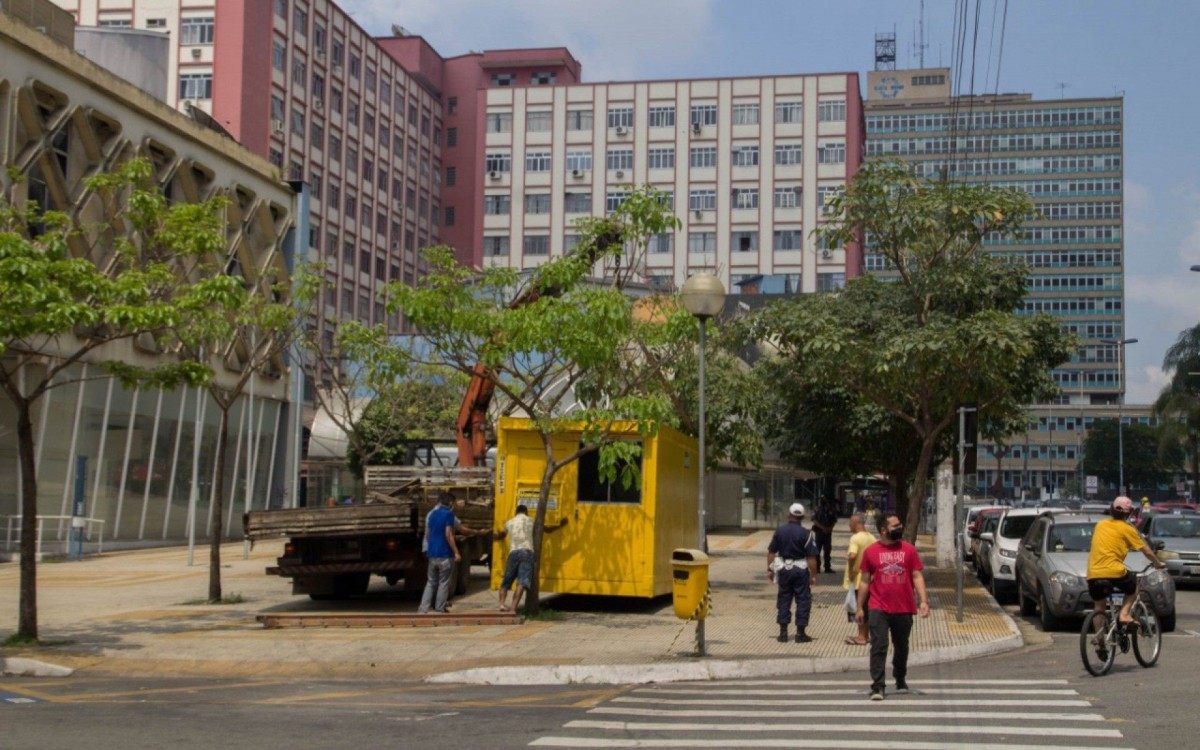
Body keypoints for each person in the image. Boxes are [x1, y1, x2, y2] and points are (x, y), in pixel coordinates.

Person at [856, 513, 929, 701]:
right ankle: (878, 686)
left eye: (899, 525)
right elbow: (864, 581)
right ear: (883, 530)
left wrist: (923, 601)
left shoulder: (909, 550)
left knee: (901, 646)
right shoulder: (871, 552)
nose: (899, 528)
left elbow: (917, 576)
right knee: (879, 645)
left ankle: (900, 678)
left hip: (904, 607)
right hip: (878, 606)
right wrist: (859, 607)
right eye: (895, 526)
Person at [1086, 496, 1165, 629]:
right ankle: (1124, 613)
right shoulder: (1128, 528)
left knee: (1099, 606)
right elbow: (1147, 551)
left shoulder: (1100, 525)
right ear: (1129, 513)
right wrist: (1158, 563)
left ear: (1111, 510)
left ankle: (1099, 642)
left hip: (1093, 573)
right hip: (1114, 571)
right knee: (1134, 586)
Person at [767, 503, 820, 643]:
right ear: (802, 517)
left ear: (789, 515)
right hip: (801, 569)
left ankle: (783, 633)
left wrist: (770, 569)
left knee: (784, 598)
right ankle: (800, 634)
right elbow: (812, 558)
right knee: (803, 600)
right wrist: (813, 575)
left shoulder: (780, 531)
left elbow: (771, 552)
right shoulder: (807, 534)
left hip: (784, 569)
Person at [418, 492, 477, 614]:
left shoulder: (432, 514)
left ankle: (423, 609)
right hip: (444, 554)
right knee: (443, 583)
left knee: (430, 582)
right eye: (454, 503)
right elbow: (449, 534)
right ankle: (439, 608)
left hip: (432, 554)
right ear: (450, 503)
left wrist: (430, 548)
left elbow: (428, 534)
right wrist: (456, 552)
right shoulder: (448, 514)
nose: (454, 505)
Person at [843, 514, 876, 646]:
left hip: (858, 579)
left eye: (850, 523)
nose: (849, 525)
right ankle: (866, 635)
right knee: (866, 607)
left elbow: (852, 555)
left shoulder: (855, 538)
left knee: (859, 607)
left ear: (856, 523)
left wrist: (851, 571)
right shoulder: (872, 537)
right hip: (870, 578)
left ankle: (861, 636)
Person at [495, 504, 534, 612]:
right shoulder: (531, 520)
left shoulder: (510, 522)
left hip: (513, 552)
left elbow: (501, 535)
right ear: (526, 512)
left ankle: (502, 604)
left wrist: (495, 535)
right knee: (521, 582)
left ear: (516, 512)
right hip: (527, 552)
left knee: (506, 581)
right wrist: (560, 525)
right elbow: (547, 529)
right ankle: (513, 608)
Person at [812, 498, 839, 574]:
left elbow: (834, 520)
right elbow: (814, 520)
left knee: (827, 551)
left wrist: (830, 528)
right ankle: (817, 568)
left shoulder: (831, 509)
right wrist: (823, 528)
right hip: (819, 533)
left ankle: (827, 567)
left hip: (828, 533)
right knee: (817, 551)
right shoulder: (817, 509)